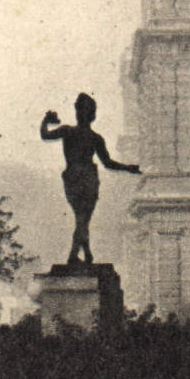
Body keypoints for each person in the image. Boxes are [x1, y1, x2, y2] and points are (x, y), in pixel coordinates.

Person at [40, 93, 140, 265]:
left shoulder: (68, 131)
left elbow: (45, 135)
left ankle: (86, 253)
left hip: (72, 177)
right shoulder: (95, 138)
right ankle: (76, 255)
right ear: (93, 115)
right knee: (83, 218)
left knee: (81, 217)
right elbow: (108, 163)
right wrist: (128, 168)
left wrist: (45, 120)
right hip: (88, 178)